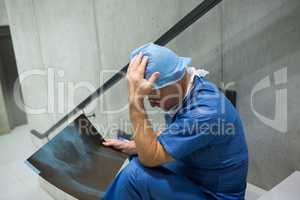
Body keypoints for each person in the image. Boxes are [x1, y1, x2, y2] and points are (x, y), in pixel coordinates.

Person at [102, 43, 248, 200]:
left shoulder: (205, 110)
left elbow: (150, 157)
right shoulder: (191, 91)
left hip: (215, 196)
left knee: (135, 174)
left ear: (173, 81)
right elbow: (175, 131)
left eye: (153, 95)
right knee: (138, 153)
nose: (151, 103)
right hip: (195, 176)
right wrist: (133, 146)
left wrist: (135, 100)